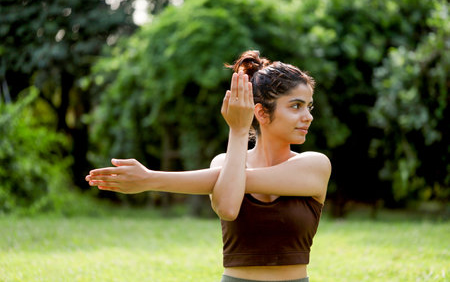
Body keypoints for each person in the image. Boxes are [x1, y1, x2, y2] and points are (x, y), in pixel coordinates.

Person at [86, 50, 331, 282]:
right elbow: (228, 207)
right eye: (296, 106)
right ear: (262, 113)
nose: (308, 116)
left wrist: (150, 179)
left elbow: (236, 182)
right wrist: (237, 130)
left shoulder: (315, 165)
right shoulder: (223, 164)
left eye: (309, 106)